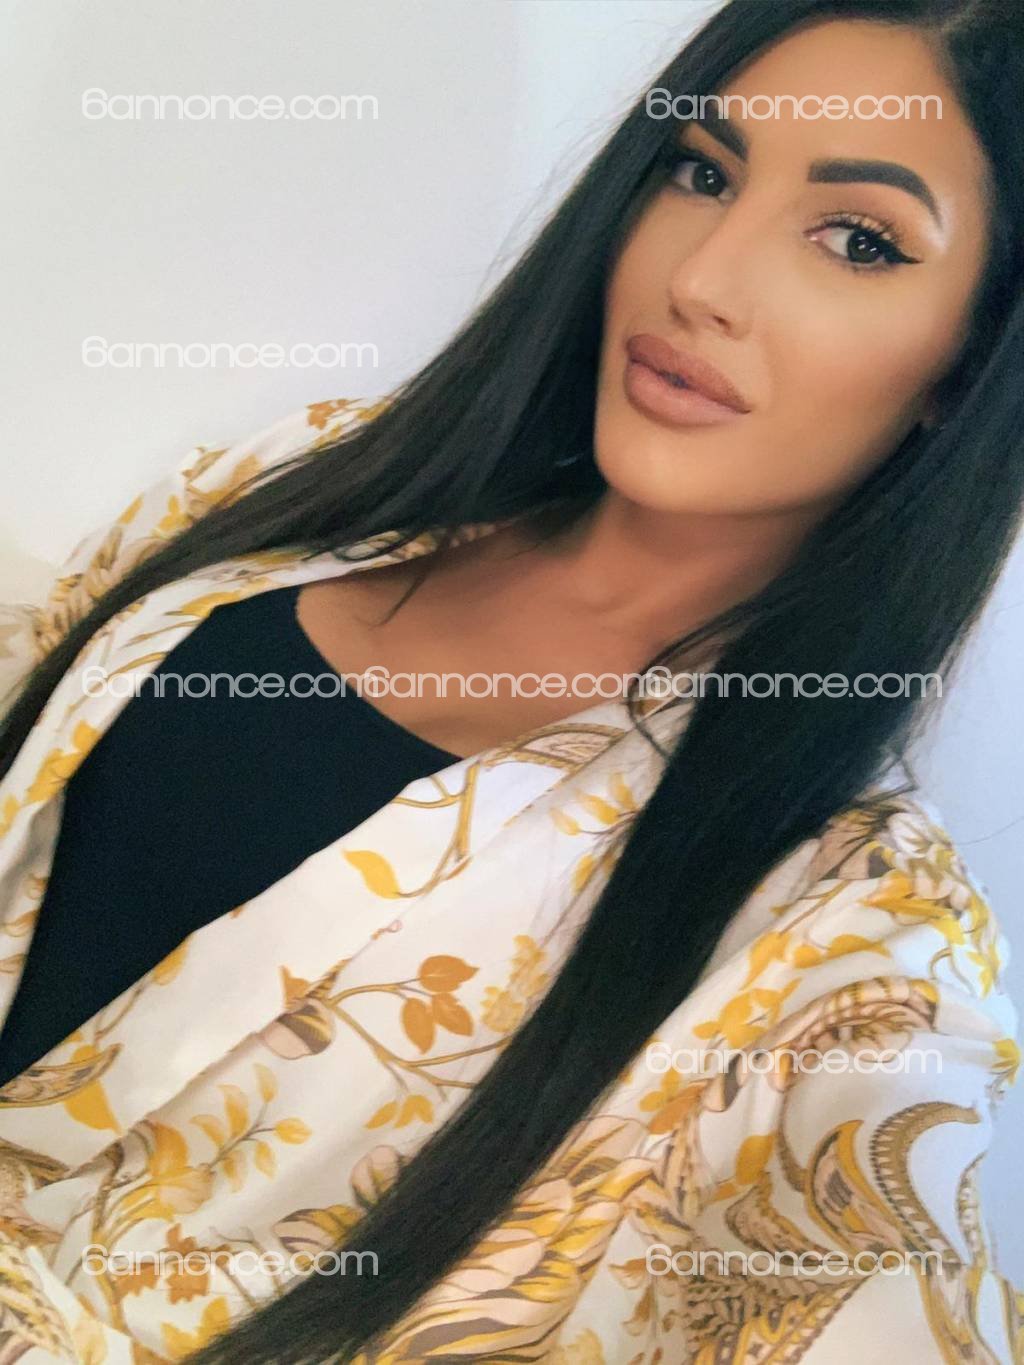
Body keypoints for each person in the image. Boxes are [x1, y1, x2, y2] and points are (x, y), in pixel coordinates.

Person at [0, 0, 1021, 1360]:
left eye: (859, 240)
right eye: (702, 170)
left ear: (970, 365)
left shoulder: (852, 935)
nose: (702, 277)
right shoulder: (306, 490)